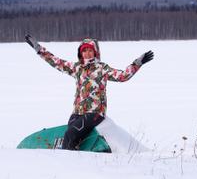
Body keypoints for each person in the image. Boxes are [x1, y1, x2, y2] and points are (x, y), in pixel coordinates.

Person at [25, 35, 154, 150]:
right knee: (71, 134)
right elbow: (56, 61)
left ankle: (65, 161)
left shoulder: (102, 68)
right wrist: (38, 49)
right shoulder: (77, 68)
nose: (87, 53)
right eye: (84, 50)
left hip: (95, 112)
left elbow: (123, 76)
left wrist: (137, 64)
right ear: (81, 53)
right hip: (78, 111)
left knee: (71, 134)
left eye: (90, 50)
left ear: (95, 52)